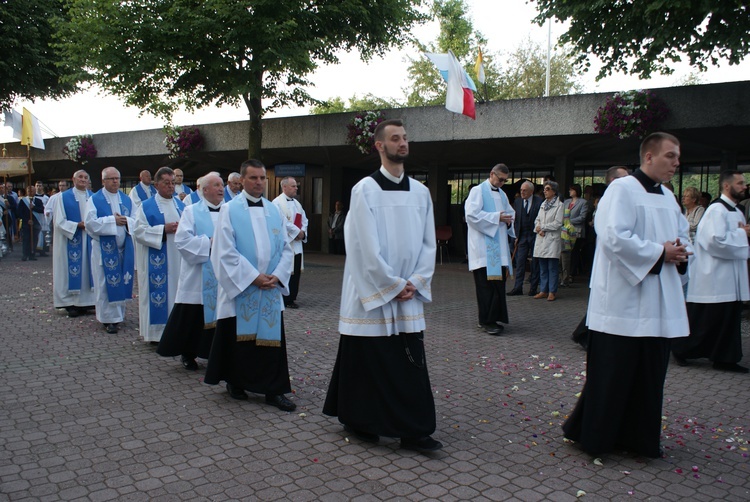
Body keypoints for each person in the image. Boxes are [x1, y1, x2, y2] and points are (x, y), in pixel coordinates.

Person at [562, 132, 691, 458]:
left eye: (677, 157)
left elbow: (683, 236)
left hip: (658, 303)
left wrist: (681, 253)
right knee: (612, 377)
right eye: (670, 156)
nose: (676, 163)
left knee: (649, 378)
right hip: (624, 301)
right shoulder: (621, 190)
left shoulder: (668, 197)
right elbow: (613, 237)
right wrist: (660, 253)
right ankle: (597, 438)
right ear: (648, 157)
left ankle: (639, 439)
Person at [323, 118, 440, 453]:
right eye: (395, 139)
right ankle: (362, 421)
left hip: (408, 295)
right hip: (371, 292)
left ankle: (414, 430)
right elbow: (363, 248)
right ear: (379, 146)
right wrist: (392, 284)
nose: (402, 143)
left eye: (405, 138)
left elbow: (428, 243)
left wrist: (415, 282)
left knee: (409, 363)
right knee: (369, 361)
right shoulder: (364, 190)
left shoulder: (421, 192)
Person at [204, 159, 296, 412]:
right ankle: (236, 381)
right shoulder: (230, 210)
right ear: (242, 180)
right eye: (253, 178)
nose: (259, 183)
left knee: (271, 342)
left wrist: (276, 276)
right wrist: (253, 277)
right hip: (242, 287)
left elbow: (286, 248)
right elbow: (224, 251)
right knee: (238, 340)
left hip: (270, 287)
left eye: (262, 178)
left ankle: (273, 390)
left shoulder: (273, 210)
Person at [672, 171, 750, 373]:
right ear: (726, 186)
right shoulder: (717, 210)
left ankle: (724, 358)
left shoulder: (737, 211)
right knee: (706, 321)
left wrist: (741, 234)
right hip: (714, 276)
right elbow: (713, 241)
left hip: (731, 277)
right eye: (740, 183)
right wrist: (742, 234)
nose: (744, 186)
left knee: (726, 320)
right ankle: (680, 349)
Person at [158, 173, 224, 370]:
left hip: (222, 275)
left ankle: (215, 353)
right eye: (216, 185)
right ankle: (188, 353)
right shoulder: (191, 211)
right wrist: (209, 243)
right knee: (193, 316)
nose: (221, 189)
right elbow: (182, 240)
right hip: (198, 275)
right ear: (204, 190)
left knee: (221, 315)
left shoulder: (229, 211)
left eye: (222, 185)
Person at [133, 167, 185, 344]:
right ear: (156, 185)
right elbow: (138, 232)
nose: (171, 186)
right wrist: (164, 229)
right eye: (166, 183)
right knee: (158, 296)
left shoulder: (181, 205)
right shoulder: (146, 207)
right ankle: (156, 335)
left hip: (178, 261)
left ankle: (175, 333)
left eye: (173, 182)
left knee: (176, 294)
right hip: (156, 261)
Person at [465, 164, 515, 335]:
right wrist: (496, 217)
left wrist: (509, 218)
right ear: (491, 173)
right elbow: (470, 215)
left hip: (498, 249)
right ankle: (486, 321)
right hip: (483, 250)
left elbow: (509, 211)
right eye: (500, 179)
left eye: (505, 181)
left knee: (497, 286)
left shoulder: (502, 193)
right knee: (485, 287)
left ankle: (494, 318)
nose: (502, 183)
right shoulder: (478, 191)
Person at [85, 167, 136, 334]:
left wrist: (126, 220)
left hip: (123, 249)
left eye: (117, 178)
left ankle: (119, 315)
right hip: (103, 250)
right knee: (104, 283)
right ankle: (108, 319)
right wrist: (112, 221)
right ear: (103, 181)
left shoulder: (126, 199)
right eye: (111, 179)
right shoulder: (95, 199)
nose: (115, 181)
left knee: (121, 281)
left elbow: (136, 220)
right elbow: (90, 223)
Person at [52, 170, 95, 318]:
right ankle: (70, 303)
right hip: (71, 240)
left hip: (89, 240)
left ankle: (87, 302)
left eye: (85, 177)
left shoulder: (93, 197)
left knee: (88, 270)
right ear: (73, 179)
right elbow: (59, 221)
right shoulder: (63, 197)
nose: (83, 180)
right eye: (80, 177)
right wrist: (77, 225)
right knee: (69, 270)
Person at [273, 177, 308, 308]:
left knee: (296, 272)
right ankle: (285, 298)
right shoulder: (276, 203)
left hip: (297, 244)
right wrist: (297, 232)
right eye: (293, 186)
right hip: (286, 243)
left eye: (296, 186)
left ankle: (292, 296)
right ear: (284, 187)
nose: (296, 188)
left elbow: (304, 219)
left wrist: (303, 232)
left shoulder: (297, 204)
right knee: (287, 270)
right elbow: (282, 222)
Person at [508, 181, 542, 296]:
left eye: (525, 190)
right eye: (521, 190)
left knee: (535, 263)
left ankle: (533, 288)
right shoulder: (517, 202)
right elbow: (516, 220)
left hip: (534, 236)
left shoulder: (539, 202)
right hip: (522, 236)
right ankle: (518, 287)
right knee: (520, 262)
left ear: (531, 191)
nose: (522, 192)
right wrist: (516, 236)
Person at [532, 181, 564, 301]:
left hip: (552, 239)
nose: (545, 191)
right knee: (543, 267)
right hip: (541, 238)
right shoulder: (542, 204)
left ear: (554, 191)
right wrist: (538, 229)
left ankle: (552, 291)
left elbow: (557, 223)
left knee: (552, 267)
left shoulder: (559, 205)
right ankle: (543, 290)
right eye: (544, 189)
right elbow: (537, 220)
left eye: (547, 189)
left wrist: (543, 227)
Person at [560, 183, 588, 286]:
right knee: (564, 253)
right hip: (565, 231)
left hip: (576, 231)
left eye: (571, 190)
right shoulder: (566, 202)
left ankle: (571, 274)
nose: (569, 191)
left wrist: (568, 221)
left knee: (574, 252)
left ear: (576, 190)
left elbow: (582, 217)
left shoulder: (583, 202)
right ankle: (563, 275)